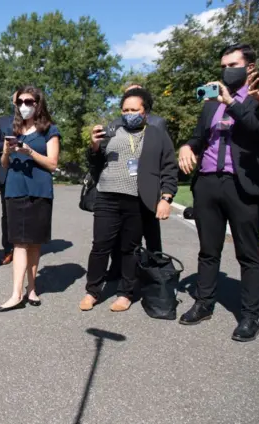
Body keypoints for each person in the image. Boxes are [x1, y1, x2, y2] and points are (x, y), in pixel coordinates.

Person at [177, 44, 259, 342]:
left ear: (250, 67)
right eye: (224, 65)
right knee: (208, 249)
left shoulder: (258, 98)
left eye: (234, 64)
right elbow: (199, 137)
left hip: (243, 184)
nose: (227, 70)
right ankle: (204, 303)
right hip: (208, 183)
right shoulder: (211, 103)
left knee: (249, 254)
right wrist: (187, 146)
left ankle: (250, 316)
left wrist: (234, 103)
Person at [79, 87, 178, 312]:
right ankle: (92, 291)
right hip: (107, 196)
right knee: (100, 246)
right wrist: (94, 146)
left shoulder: (157, 134)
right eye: (125, 109)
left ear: (145, 111)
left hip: (137, 199)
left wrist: (166, 197)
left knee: (130, 249)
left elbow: (169, 168)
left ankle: (126, 293)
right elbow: (94, 165)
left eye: (134, 109)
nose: (129, 113)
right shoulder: (111, 131)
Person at [0, 86, 61, 312]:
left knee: (34, 243)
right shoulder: (14, 131)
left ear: (38, 103)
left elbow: (52, 164)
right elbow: (5, 165)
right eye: (20, 102)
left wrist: (29, 151)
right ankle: (16, 294)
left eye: (29, 101)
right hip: (15, 190)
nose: (23, 105)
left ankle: (32, 289)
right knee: (19, 242)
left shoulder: (50, 130)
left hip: (40, 191)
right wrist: (6, 151)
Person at [106, 83, 170, 281]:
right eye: (126, 100)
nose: (130, 111)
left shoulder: (158, 124)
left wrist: (164, 195)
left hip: (147, 187)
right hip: (121, 188)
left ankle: (155, 272)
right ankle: (117, 269)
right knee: (119, 236)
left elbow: (165, 159)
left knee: (151, 233)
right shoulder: (115, 124)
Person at [0, 91, 18, 265]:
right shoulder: (3, 121)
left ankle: (24, 247)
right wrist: (7, 144)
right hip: (7, 173)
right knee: (7, 213)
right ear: (14, 103)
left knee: (26, 213)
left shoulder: (35, 123)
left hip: (27, 173)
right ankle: (8, 249)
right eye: (18, 101)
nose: (22, 105)